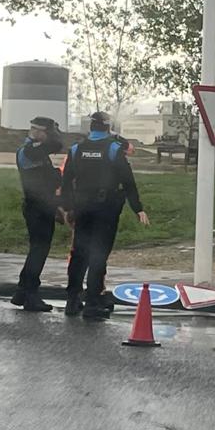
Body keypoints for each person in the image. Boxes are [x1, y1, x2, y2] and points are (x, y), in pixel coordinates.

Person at [63, 111, 149, 319]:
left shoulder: (76, 149)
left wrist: (67, 208)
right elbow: (128, 181)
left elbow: (66, 182)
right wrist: (138, 208)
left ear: (91, 127)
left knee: (79, 253)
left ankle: (72, 299)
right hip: (106, 208)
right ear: (108, 127)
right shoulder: (113, 148)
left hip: (82, 208)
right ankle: (93, 302)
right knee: (98, 254)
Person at [13, 116, 64, 312]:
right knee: (38, 251)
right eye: (47, 132)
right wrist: (57, 176)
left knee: (37, 250)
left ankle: (22, 291)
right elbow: (56, 146)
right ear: (39, 132)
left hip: (41, 206)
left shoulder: (34, 149)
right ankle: (30, 295)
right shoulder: (29, 151)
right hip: (38, 208)